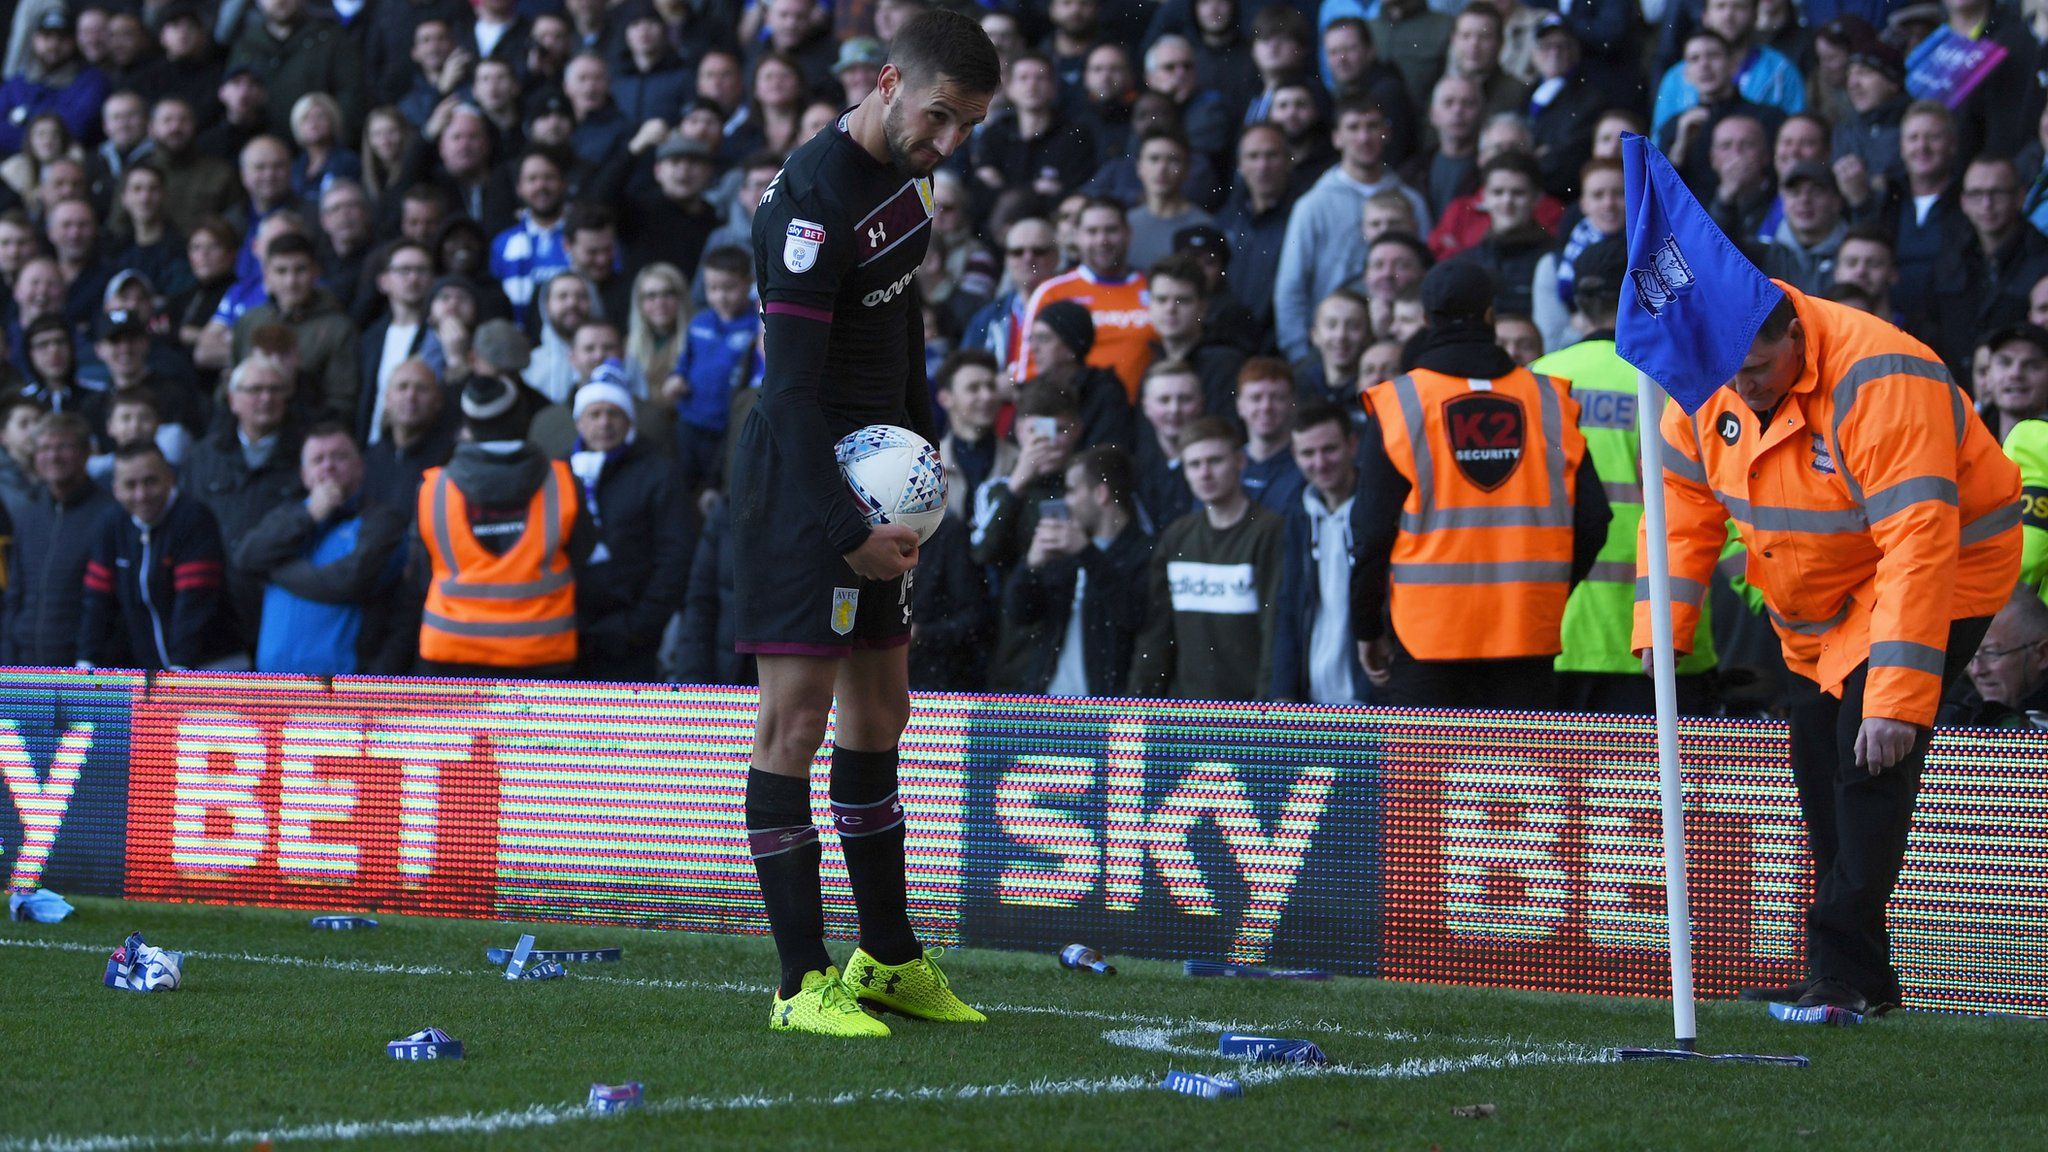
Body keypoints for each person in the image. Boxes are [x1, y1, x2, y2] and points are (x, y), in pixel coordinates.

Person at [1638, 281, 2021, 1016]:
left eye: (1755, 369)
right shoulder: (1707, 375)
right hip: (1817, 598)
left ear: (1797, 340)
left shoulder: (1880, 377)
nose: (1739, 387)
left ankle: (1839, 972)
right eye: (1729, 371)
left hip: (1942, 570)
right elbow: (1680, 506)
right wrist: (1664, 623)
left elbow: (1918, 543)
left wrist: (1898, 698)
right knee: (1817, 763)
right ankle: (1859, 978)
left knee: (1869, 756)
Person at [730, 9, 998, 1037]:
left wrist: (926, 457)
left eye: (968, 126)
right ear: (886, 81)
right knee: (791, 726)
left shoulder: (911, 179)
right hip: (805, 493)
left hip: (882, 486)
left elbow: (901, 322)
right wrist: (845, 527)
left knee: (880, 714)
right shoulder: (806, 207)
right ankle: (801, 984)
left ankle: (885, 958)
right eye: (938, 117)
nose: (949, 143)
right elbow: (787, 398)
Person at [1351, 261, 1609, 711]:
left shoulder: (1399, 405)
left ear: (1427, 319)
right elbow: (1593, 520)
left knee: (1422, 783)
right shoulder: (1548, 401)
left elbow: (1371, 534)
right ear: (1490, 316)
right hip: (1524, 637)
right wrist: (1545, 592)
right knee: (1516, 781)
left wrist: (1367, 627)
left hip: (1426, 639)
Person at [1531, 238, 1720, 715]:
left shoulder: (1533, 381)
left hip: (1554, 635)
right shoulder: (1670, 382)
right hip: (1657, 638)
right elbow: (1716, 503)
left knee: (1564, 790)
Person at [411, 374, 596, 678]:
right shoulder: (563, 482)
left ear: (468, 425)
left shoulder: (433, 488)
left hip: (452, 652)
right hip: (542, 653)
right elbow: (584, 555)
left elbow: (420, 573)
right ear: (521, 417)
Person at [1127, 414, 1284, 699]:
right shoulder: (1177, 536)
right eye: (1194, 464)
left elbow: (1274, 630)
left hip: (1248, 712)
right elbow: (1157, 634)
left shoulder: (1269, 531)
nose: (1205, 473)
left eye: (1215, 461)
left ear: (1240, 461)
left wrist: (1266, 715)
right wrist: (1137, 705)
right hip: (1186, 712)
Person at [234, 422, 408, 674]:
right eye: (318, 459)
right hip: (273, 687)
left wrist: (275, 571)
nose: (328, 466)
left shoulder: (382, 520)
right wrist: (310, 515)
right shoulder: (287, 516)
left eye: (339, 457)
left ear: (360, 466)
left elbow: (350, 581)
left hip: (339, 689)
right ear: (304, 474)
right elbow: (245, 557)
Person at [563, 367, 693, 683]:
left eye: (614, 414)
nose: (604, 423)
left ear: (629, 421)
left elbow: (675, 555)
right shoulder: (559, 473)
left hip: (633, 639)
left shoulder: (658, 473)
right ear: (580, 422)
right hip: (568, 635)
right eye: (594, 414)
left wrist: (640, 625)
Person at [996, 444, 1155, 694]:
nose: (1065, 501)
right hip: (1049, 702)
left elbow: (1133, 615)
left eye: (1071, 490)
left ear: (1101, 493)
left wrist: (1086, 554)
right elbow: (1019, 614)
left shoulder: (1145, 551)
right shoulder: (1064, 552)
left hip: (1107, 708)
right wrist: (1031, 565)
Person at [79, 441, 245, 670]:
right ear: (115, 489)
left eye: (150, 481)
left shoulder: (194, 518)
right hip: (155, 674)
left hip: (214, 668)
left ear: (170, 478)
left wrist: (178, 670)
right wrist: (86, 661)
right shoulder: (111, 525)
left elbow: (196, 601)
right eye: (130, 485)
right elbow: (97, 601)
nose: (141, 494)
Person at [1269, 401, 1367, 704]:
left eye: (1330, 449)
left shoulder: (1379, 511)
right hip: (1313, 701)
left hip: (1370, 698)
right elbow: (1289, 609)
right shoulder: (1297, 517)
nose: (1320, 463)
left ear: (1352, 444)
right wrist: (1283, 693)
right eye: (1308, 454)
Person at [2, 411, 114, 666]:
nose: (53, 456)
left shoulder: (109, 514)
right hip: (24, 669)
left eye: (63, 446)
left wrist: (91, 660)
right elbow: (14, 596)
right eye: (44, 448)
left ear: (86, 452)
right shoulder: (28, 517)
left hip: (86, 670)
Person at [664, 245, 756, 497]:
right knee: (683, 485)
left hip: (725, 426)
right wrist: (676, 377)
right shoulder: (699, 322)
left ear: (748, 283)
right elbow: (685, 360)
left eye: (729, 288)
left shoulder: (755, 327)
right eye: (713, 289)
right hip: (690, 420)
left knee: (716, 487)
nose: (721, 297)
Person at [1941, 588, 2048, 728]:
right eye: (1972, 655)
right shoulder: (1950, 711)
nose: (1977, 671)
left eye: (1992, 653)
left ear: (2042, 654)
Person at [1235, 358, 1305, 511]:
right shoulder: (1226, 466)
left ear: (1293, 404)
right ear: (1240, 406)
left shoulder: (1309, 465)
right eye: (1256, 398)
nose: (1266, 407)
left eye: (1277, 398)